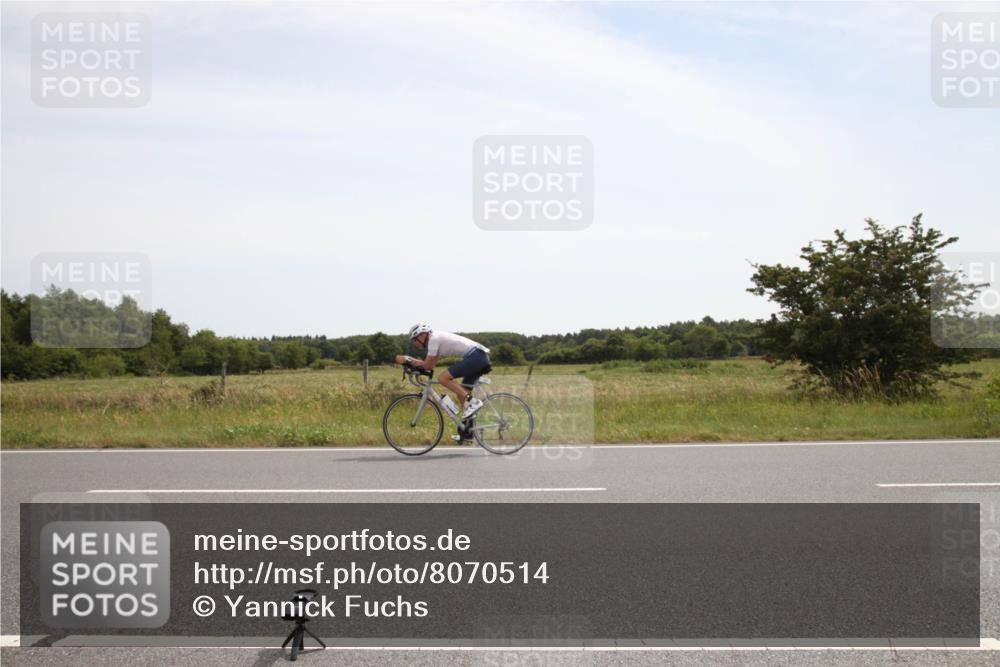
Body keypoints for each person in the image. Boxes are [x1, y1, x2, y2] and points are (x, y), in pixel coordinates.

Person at [395, 324, 490, 420]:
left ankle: (474, 402)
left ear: (422, 335)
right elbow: (430, 366)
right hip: (478, 356)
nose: (415, 343)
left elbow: (427, 365)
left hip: (476, 357)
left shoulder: (433, 339)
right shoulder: (435, 339)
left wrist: (408, 359)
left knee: (443, 378)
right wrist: (411, 363)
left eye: (415, 339)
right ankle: (468, 433)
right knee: (462, 395)